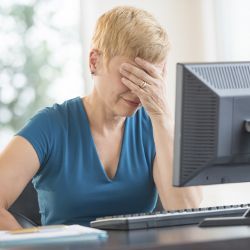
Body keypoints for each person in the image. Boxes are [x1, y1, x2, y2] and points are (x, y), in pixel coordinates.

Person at [0, 6, 202, 230]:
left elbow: (186, 212)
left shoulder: (154, 127)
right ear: (94, 61)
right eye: (130, 75)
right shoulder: (51, 125)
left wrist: (162, 117)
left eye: (149, 78)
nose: (138, 90)